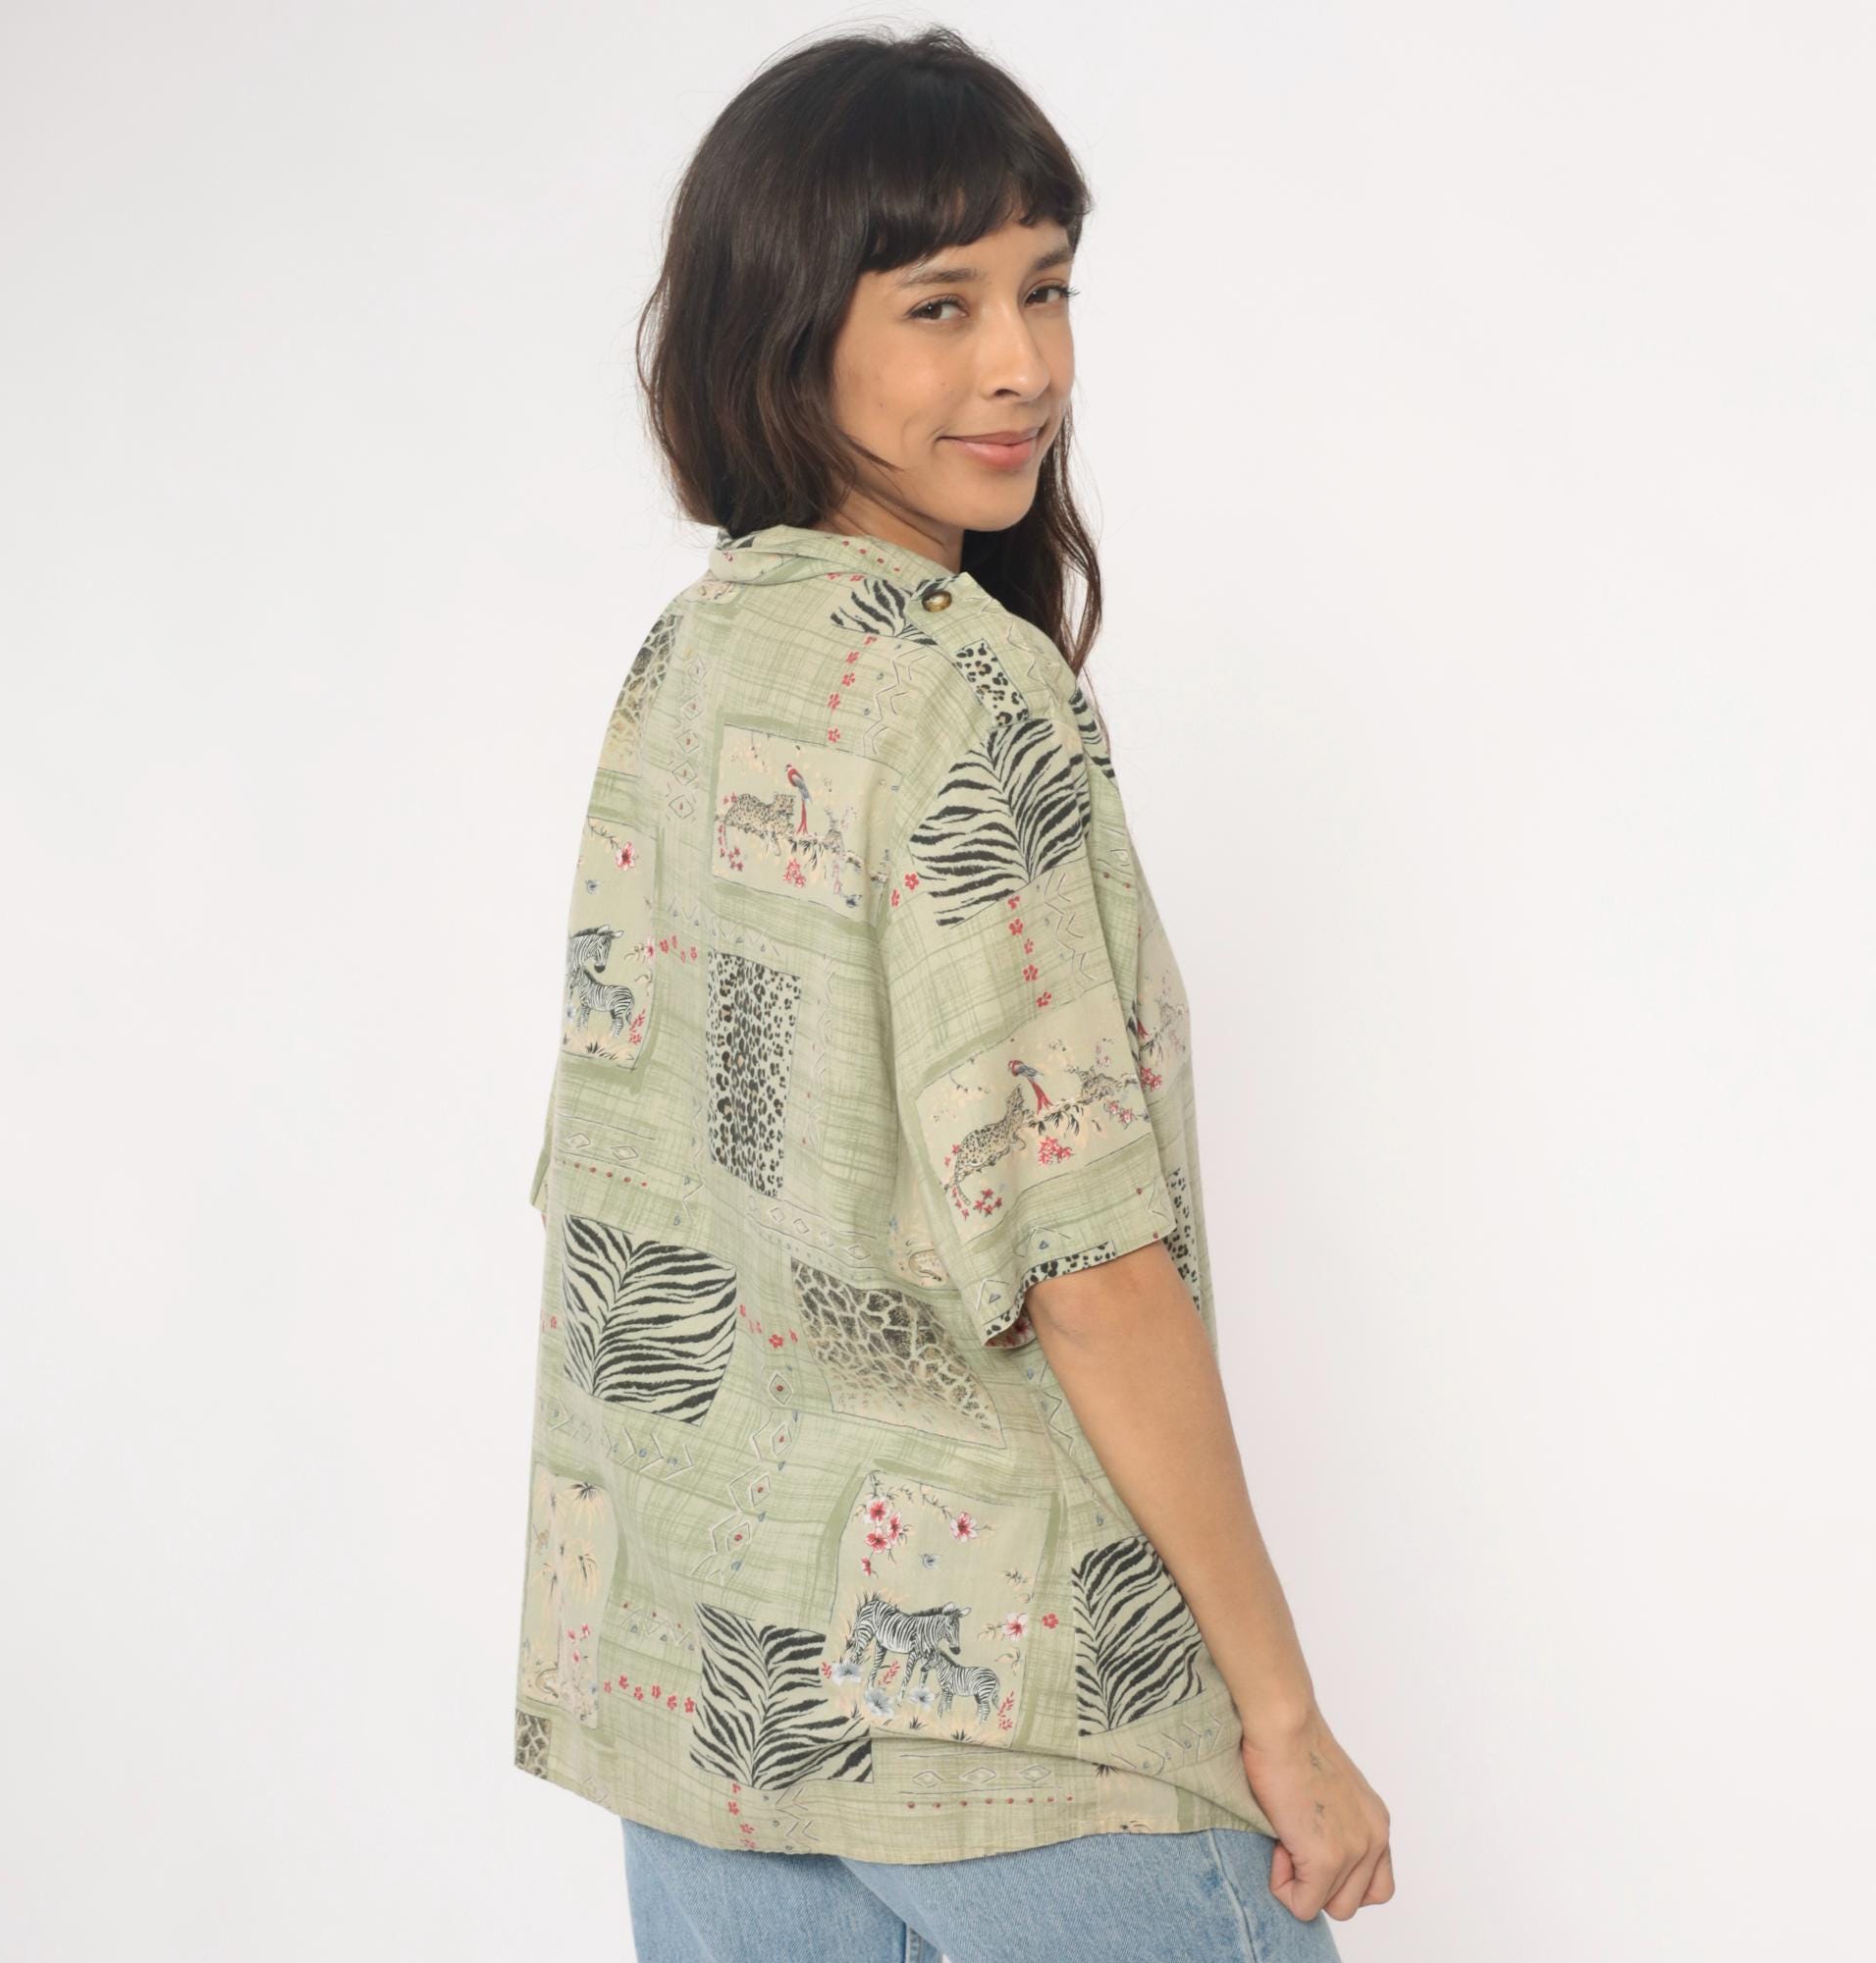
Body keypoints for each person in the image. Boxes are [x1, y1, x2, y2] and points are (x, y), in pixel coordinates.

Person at [511, 26, 1393, 1962]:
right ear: (785, 333)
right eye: (941, 305)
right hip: (1020, 1726)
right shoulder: (967, 694)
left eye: (1046, 289)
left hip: (712, 1696)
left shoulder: (689, 660)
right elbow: (1086, 1264)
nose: (1024, 366)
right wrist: (1281, 1713)